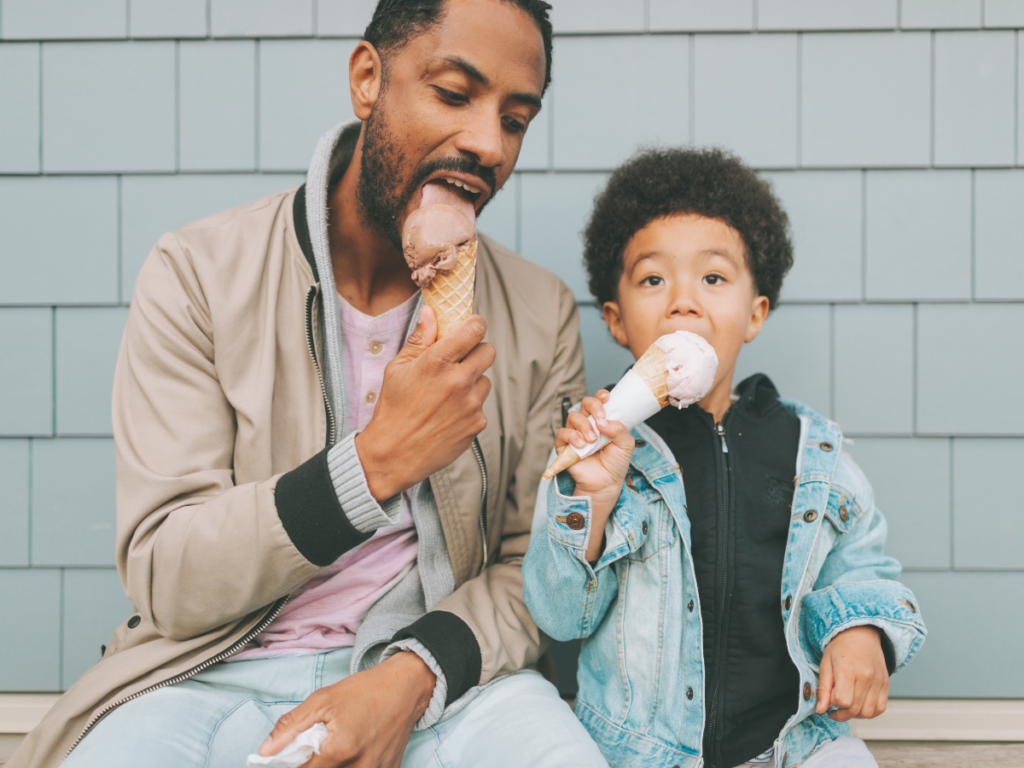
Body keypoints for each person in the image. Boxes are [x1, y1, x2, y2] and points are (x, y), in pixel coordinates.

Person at [9, 1, 610, 767]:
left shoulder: (538, 309)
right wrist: (375, 463)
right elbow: (166, 571)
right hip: (209, 674)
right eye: (455, 94)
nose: (488, 144)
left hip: (447, 679)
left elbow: (535, 570)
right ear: (368, 79)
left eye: (516, 119)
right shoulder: (198, 274)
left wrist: (413, 676)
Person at [522, 147, 927, 768]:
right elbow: (560, 618)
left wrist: (861, 631)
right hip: (641, 753)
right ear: (616, 321)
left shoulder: (808, 449)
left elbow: (860, 562)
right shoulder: (599, 452)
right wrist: (594, 500)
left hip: (791, 743)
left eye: (713, 278)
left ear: (754, 314)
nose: (684, 301)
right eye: (653, 279)